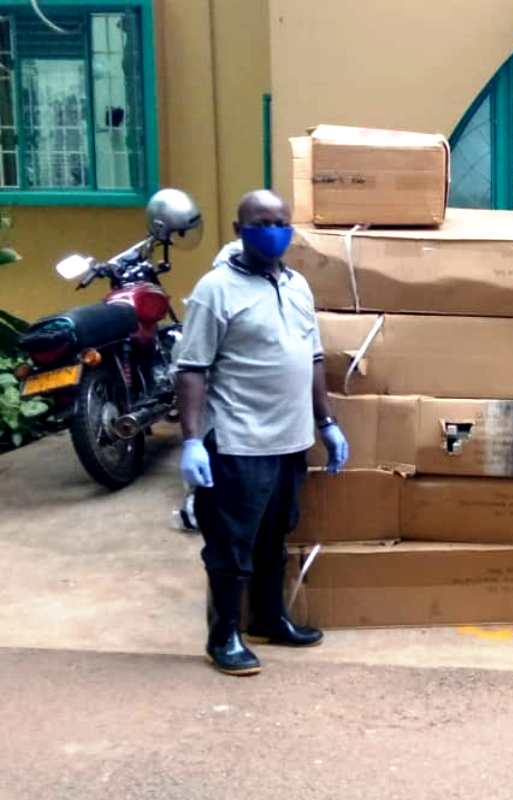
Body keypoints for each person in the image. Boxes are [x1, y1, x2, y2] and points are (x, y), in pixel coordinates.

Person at [173, 189, 350, 677]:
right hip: (238, 440)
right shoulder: (216, 289)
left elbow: (312, 357)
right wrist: (191, 440)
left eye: (280, 221)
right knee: (232, 544)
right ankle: (223, 634)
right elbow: (191, 368)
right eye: (260, 222)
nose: (272, 230)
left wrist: (326, 422)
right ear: (239, 230)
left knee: (275, 537)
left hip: (290, 441)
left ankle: (268, 619)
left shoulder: (297, 285)